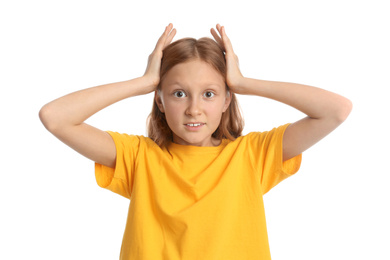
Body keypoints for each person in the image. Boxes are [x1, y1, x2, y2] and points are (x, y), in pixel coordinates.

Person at [39, 23, 352, 259]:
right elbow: (55, 117)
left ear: (227, 99)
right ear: (160, 101)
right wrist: (144, 82)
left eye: (209, 93)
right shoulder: (139, 157)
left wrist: (244, 82)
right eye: (178, 93)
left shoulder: (251, 155)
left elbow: (336, 111)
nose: (194, 108)